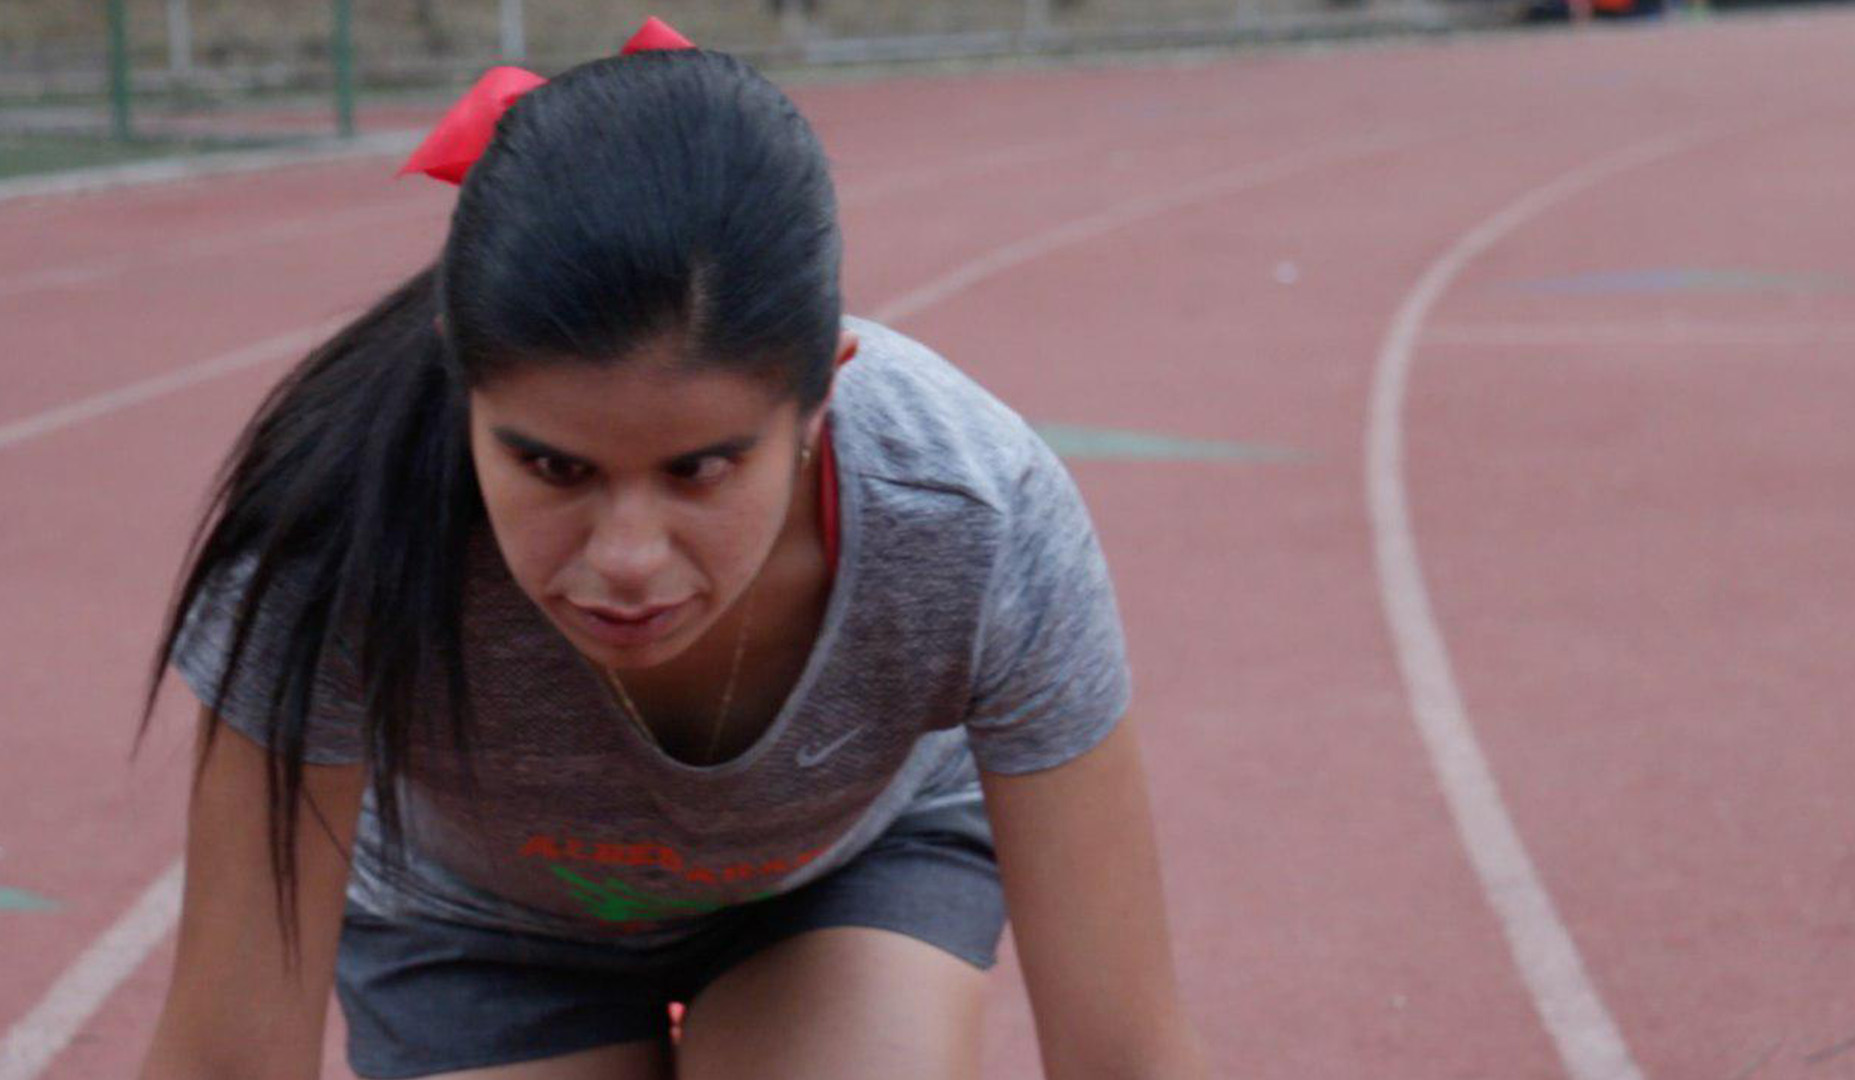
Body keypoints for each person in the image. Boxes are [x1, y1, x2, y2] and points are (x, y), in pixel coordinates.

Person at [135, 19, 1210, 1080]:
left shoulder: (974, 515)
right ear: (463, 379)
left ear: (822, 394)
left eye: (700, 470)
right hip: (478, 928)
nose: (629, 559)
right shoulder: (334, 530)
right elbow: (231, 1053)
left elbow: (1124, 1054)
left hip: (843, 877)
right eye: (556, 469)